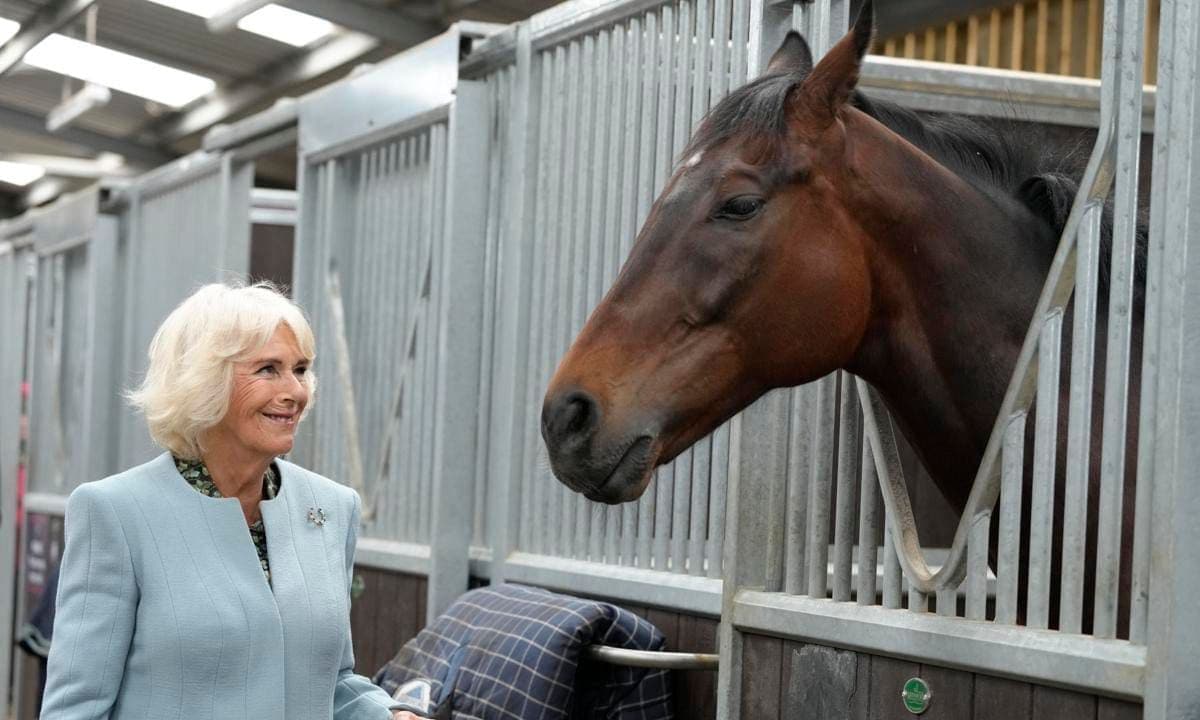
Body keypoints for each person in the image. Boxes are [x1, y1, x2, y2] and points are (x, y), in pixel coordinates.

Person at [40, 282, 418, 720]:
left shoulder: (333, 509)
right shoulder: (115, 513)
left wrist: (389, 714)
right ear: (205, 381)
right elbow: (76, 709)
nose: (295, 390)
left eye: (301, 369)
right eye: (268, 369)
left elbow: (328, 681)